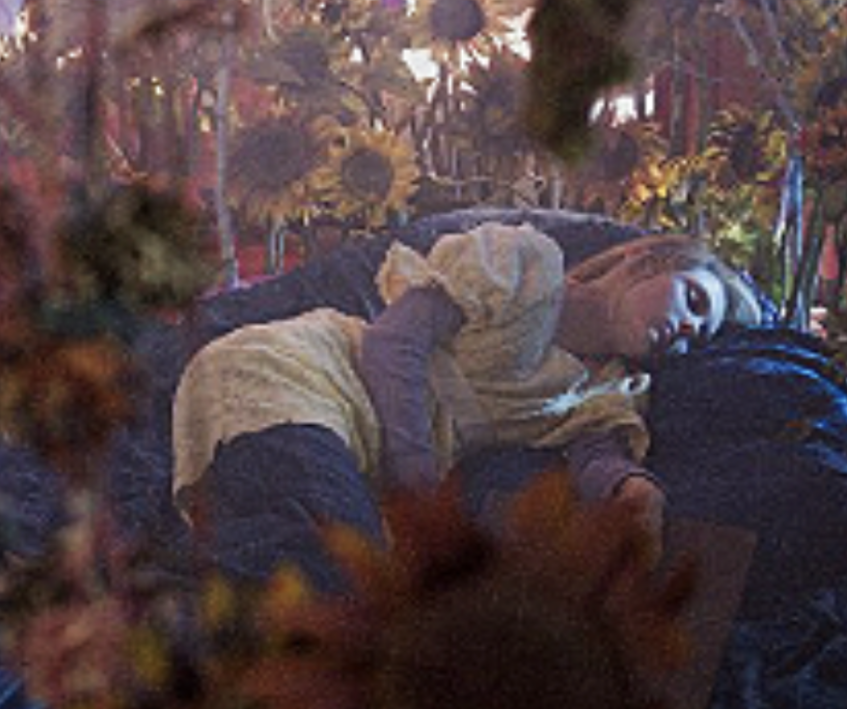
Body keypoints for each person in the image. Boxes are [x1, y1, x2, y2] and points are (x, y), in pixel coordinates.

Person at [171, 221, 765, 588]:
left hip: (361, 451)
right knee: (330, 571)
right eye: (693, 300)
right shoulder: (521, 263)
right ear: (647, 261)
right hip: (300, 371)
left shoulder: (609, 390)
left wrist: (635, 490)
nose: (689, 330)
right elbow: (392, 343)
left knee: (356, 593)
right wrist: (421, 492)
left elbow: (597, 455)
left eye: (701, 335)